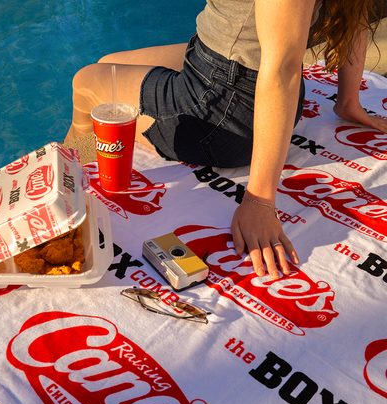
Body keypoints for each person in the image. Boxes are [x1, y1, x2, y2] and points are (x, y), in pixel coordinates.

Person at [64, 0, 387, 280]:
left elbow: (282, 69)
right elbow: (353, 14)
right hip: (219, 72)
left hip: (221, 118)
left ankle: (66, 179)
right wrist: (348, 101)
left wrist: (259, 199)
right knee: (110, 63)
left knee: (89, 83)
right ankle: (88, 153)